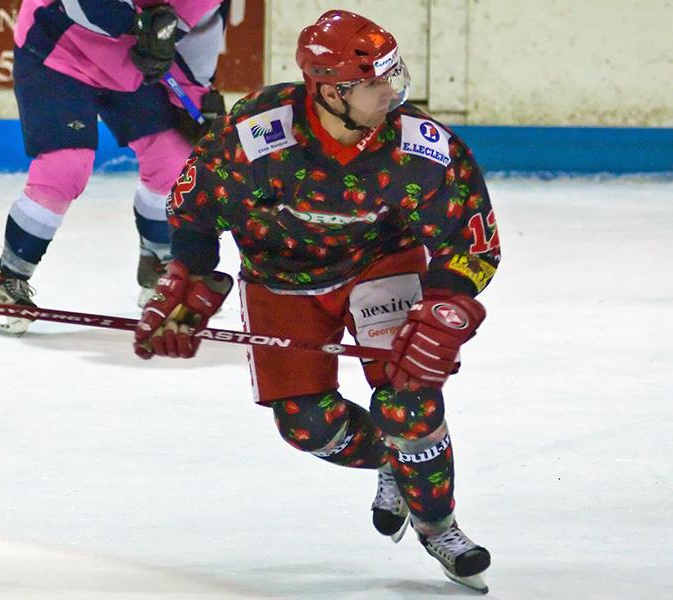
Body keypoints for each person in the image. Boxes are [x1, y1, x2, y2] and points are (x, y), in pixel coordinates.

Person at [132, 10, 501, 593]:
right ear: (331, 90)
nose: (393, 91)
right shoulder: (259, 133)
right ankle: (392, 463)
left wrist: (446, 307)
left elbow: (470, 239)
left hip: (382, 263)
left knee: (410, 402)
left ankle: (439, 526)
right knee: (306, 424)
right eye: (378, 82)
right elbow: (197, 213)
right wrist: (186, 292)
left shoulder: (419, 146)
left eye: (393, 74)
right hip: (281, 274)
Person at [0, 0, 227, 335]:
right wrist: (139, 25)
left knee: (176, 163)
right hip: (59, 49)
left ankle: (160, 264)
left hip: (128, 66)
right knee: (65, 167)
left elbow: (195, 43)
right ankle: (8, 280)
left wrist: (198, 105)